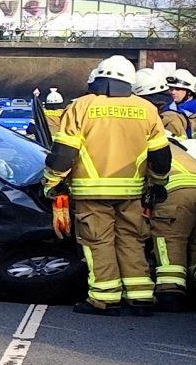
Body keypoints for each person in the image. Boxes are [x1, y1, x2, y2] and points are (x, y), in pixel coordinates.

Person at [41, 54, 171, 314]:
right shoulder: (146, 109)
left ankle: (104, 298)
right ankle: (140, 296)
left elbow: (64, 153)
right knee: (132, 240)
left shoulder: (81, 106)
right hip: (132, 191)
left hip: (90, 192)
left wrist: (52, 181)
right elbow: (161, 156)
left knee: (98, 242)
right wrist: (157, 184)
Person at [147, 133, 196, 304]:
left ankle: (170, 290)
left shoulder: (147, 148)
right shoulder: (183, 150)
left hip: (176, 193)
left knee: (169, 240)